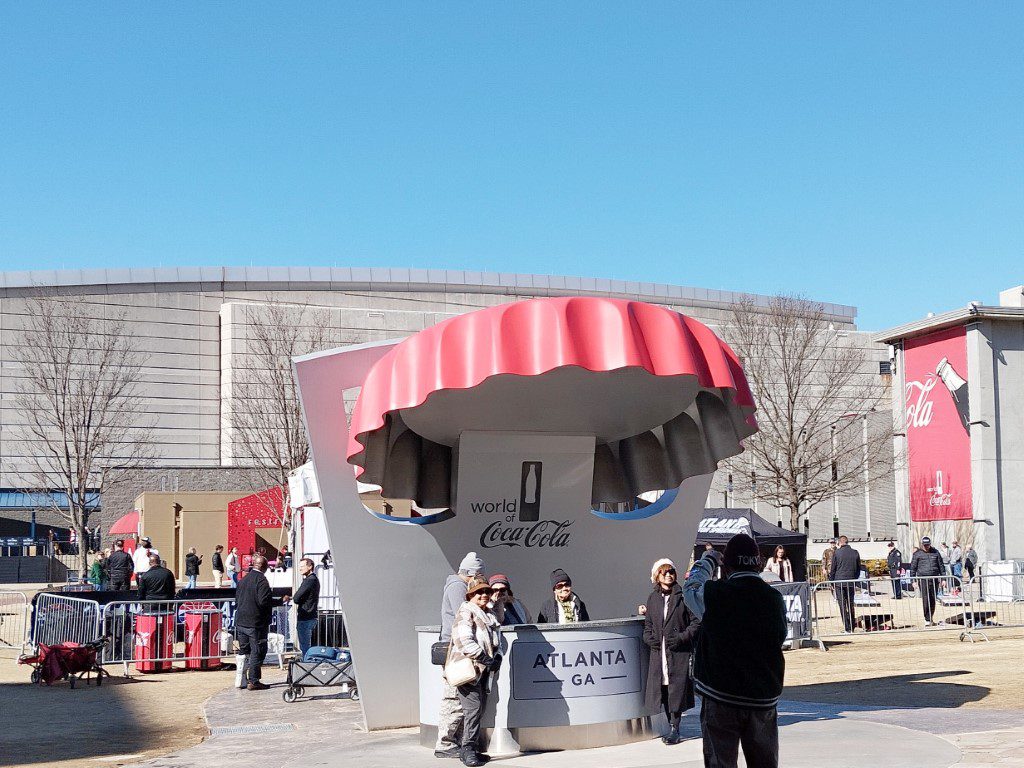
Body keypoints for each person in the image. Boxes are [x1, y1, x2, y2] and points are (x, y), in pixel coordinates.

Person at [684, 533, 787, 768]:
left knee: (720, 762)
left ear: (727, 565)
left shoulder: (715, 594)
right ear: (759, 563)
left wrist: (708, 560)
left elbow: (691, 588)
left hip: (720, 693)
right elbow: (779, 636)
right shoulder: (773, 598)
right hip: (762, 695)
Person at [643, 558, 700, 746]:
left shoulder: (683, 596)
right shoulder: (653, 599)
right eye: (664, 572)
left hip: (677, 652)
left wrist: (682, 638)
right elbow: (649, 624)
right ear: (657, 576)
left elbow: (696, 622)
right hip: (659, 653)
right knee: (665, 689)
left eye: (671, 572)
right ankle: (670, 725)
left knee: (676, 690)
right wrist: (649, 638)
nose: (668, 575)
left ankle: (675, 728)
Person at [434, 552, 485, 759]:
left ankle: (457, 741)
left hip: (457, 647)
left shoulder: (456, 585)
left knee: (461, 697)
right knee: (454, 696)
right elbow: (463, 613)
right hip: (455, 649)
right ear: (472, 573)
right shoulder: (457, 587)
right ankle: (445, 743)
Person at [448, 577, 501, 767]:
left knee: (478, 710)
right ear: (470, 595)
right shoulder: (465, 613)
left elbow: (496, 642)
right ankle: (468, 749)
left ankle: (470, 749)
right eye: (479, 592)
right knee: (473, 709)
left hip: (484, 672)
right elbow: (464, 641)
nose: (484, 595)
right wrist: (486, 658)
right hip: (469, 670)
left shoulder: (489, 615)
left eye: (486, 591)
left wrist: (497, 657)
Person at [234, 553, 276, 690]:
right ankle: (254, 680)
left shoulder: (243, 579)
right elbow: (264, 601)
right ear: (265, 567)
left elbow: (237, 600)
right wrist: (279, 601)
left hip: (241, 621)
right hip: (255, 623)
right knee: (257, 651)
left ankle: (240, 679)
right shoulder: (262, 580)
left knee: (244, 651)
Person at [829, 535, 861, 633]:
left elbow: (833, 568)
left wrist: (831, 581)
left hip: (839, 582)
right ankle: (852, 626)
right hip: (851, 581)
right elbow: (858, 568)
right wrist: (854, 578)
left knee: (842, 605)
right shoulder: (855, 553)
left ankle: (847, 627)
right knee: (850, 604)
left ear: (839, 543)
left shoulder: (837, 553)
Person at [910, 536, 945, 626]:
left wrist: (943, 579)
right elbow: (913, 568)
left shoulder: (936, 552)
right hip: (923, 579)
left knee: (933, 598)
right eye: (925, 545)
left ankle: (931, 617)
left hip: (934, 578)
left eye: (928, 545)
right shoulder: (917, 554)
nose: (926, 547)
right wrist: (913, 580)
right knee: (926, 598)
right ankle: (927, 618)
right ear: (922, 545)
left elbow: (941, 566)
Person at [292, 557, 320, 657]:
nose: (300, 569)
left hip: (306, 616)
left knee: (305, 647)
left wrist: (299, 598)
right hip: (311, 616)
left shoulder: (309, 580)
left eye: (302, 566)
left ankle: (307, 665)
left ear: (310, 566)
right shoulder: (314, 579)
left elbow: (296, 598)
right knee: (307, 645)